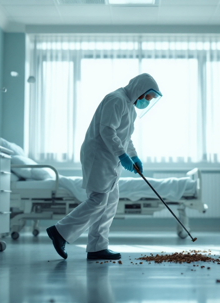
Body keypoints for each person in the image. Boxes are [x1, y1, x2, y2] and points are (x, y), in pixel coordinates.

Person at [46, 73, 162, 260]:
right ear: (140, 90)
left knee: (110, 202)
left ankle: (97, 247)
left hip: (110, 158)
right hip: (98, 156)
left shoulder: (130, 107)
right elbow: (106, 130)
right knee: (98, 199)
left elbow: (125, 137)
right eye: (148, 97)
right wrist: (123, 155)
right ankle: (60, 232)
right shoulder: (115, 100)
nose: (147, 101)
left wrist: (133, 156)